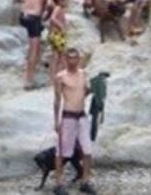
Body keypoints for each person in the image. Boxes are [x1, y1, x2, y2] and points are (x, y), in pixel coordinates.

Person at [53, 48, 96, 195]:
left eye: (75, 58)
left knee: (87, 149)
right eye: (69, 58)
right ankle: (58, 183)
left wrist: (94, 89)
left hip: (81, 116)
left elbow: (85, 92)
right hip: (68, 117)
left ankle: (85, 180)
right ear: (65, 59)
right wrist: (56, 121)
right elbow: (57, 100)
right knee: (63, 151)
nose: (72, 61)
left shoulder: (84, 74)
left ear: (79, 59)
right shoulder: (60, 76)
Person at [15, 0, 55, 89]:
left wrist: (20, 1)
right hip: (34, 18)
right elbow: (49, 5)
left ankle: (29, 76)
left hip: (23, 16)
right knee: (34, 49)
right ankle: (29, 79)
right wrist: (47, 16)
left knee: (34, 40)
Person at [46, 0, 69, 80]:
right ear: (60, 1)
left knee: (57, 55)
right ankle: (62, 74)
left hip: (55, 35)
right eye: (66, 0)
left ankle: (55, 76)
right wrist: (61, 26)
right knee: (61, 55)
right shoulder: (58, 8)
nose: (68, 2)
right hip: (57, 35)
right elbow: (52, 18)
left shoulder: (59, 8)